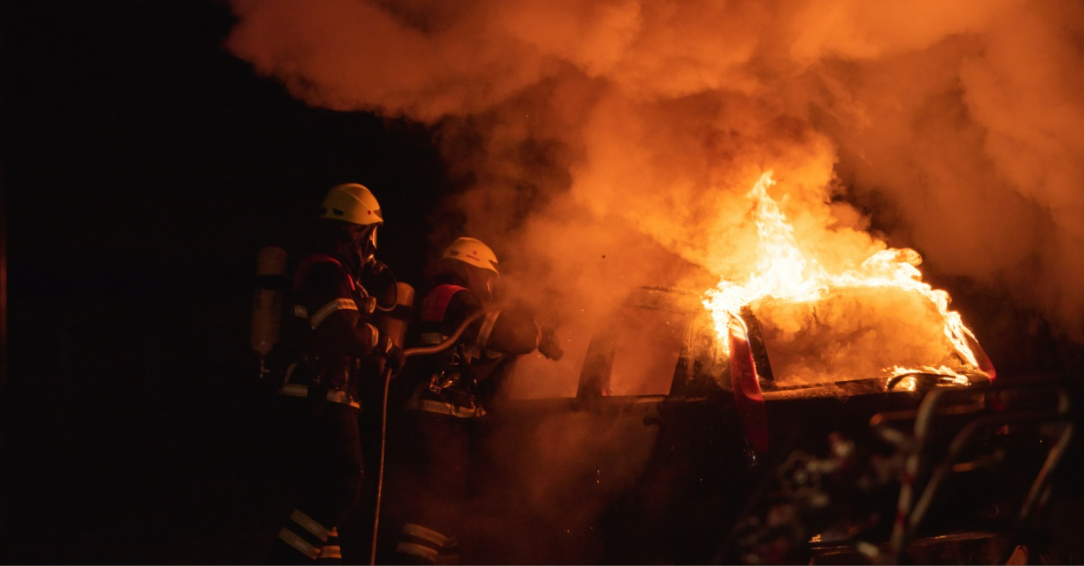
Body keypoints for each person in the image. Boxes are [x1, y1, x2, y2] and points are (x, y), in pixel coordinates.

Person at [388, 236, 563, 565]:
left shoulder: (439, 297)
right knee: (436, 513)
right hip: (440, 420)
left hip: (438, 420)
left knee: (448, 514)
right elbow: (501, 332)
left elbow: (476, 353)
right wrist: (540, 334)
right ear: (470, 269)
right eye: (487, 277)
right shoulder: (455, 296)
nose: (489, 286)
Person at [267, 182, 405, 564]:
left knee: (321, 500)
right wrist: (385, 344)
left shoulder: (333, 270)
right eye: (372, 232)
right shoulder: (325, 270)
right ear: (360, 229)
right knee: (341, 488)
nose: (375, 244)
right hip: (320, 400)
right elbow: (346, 331)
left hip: (317, 398)